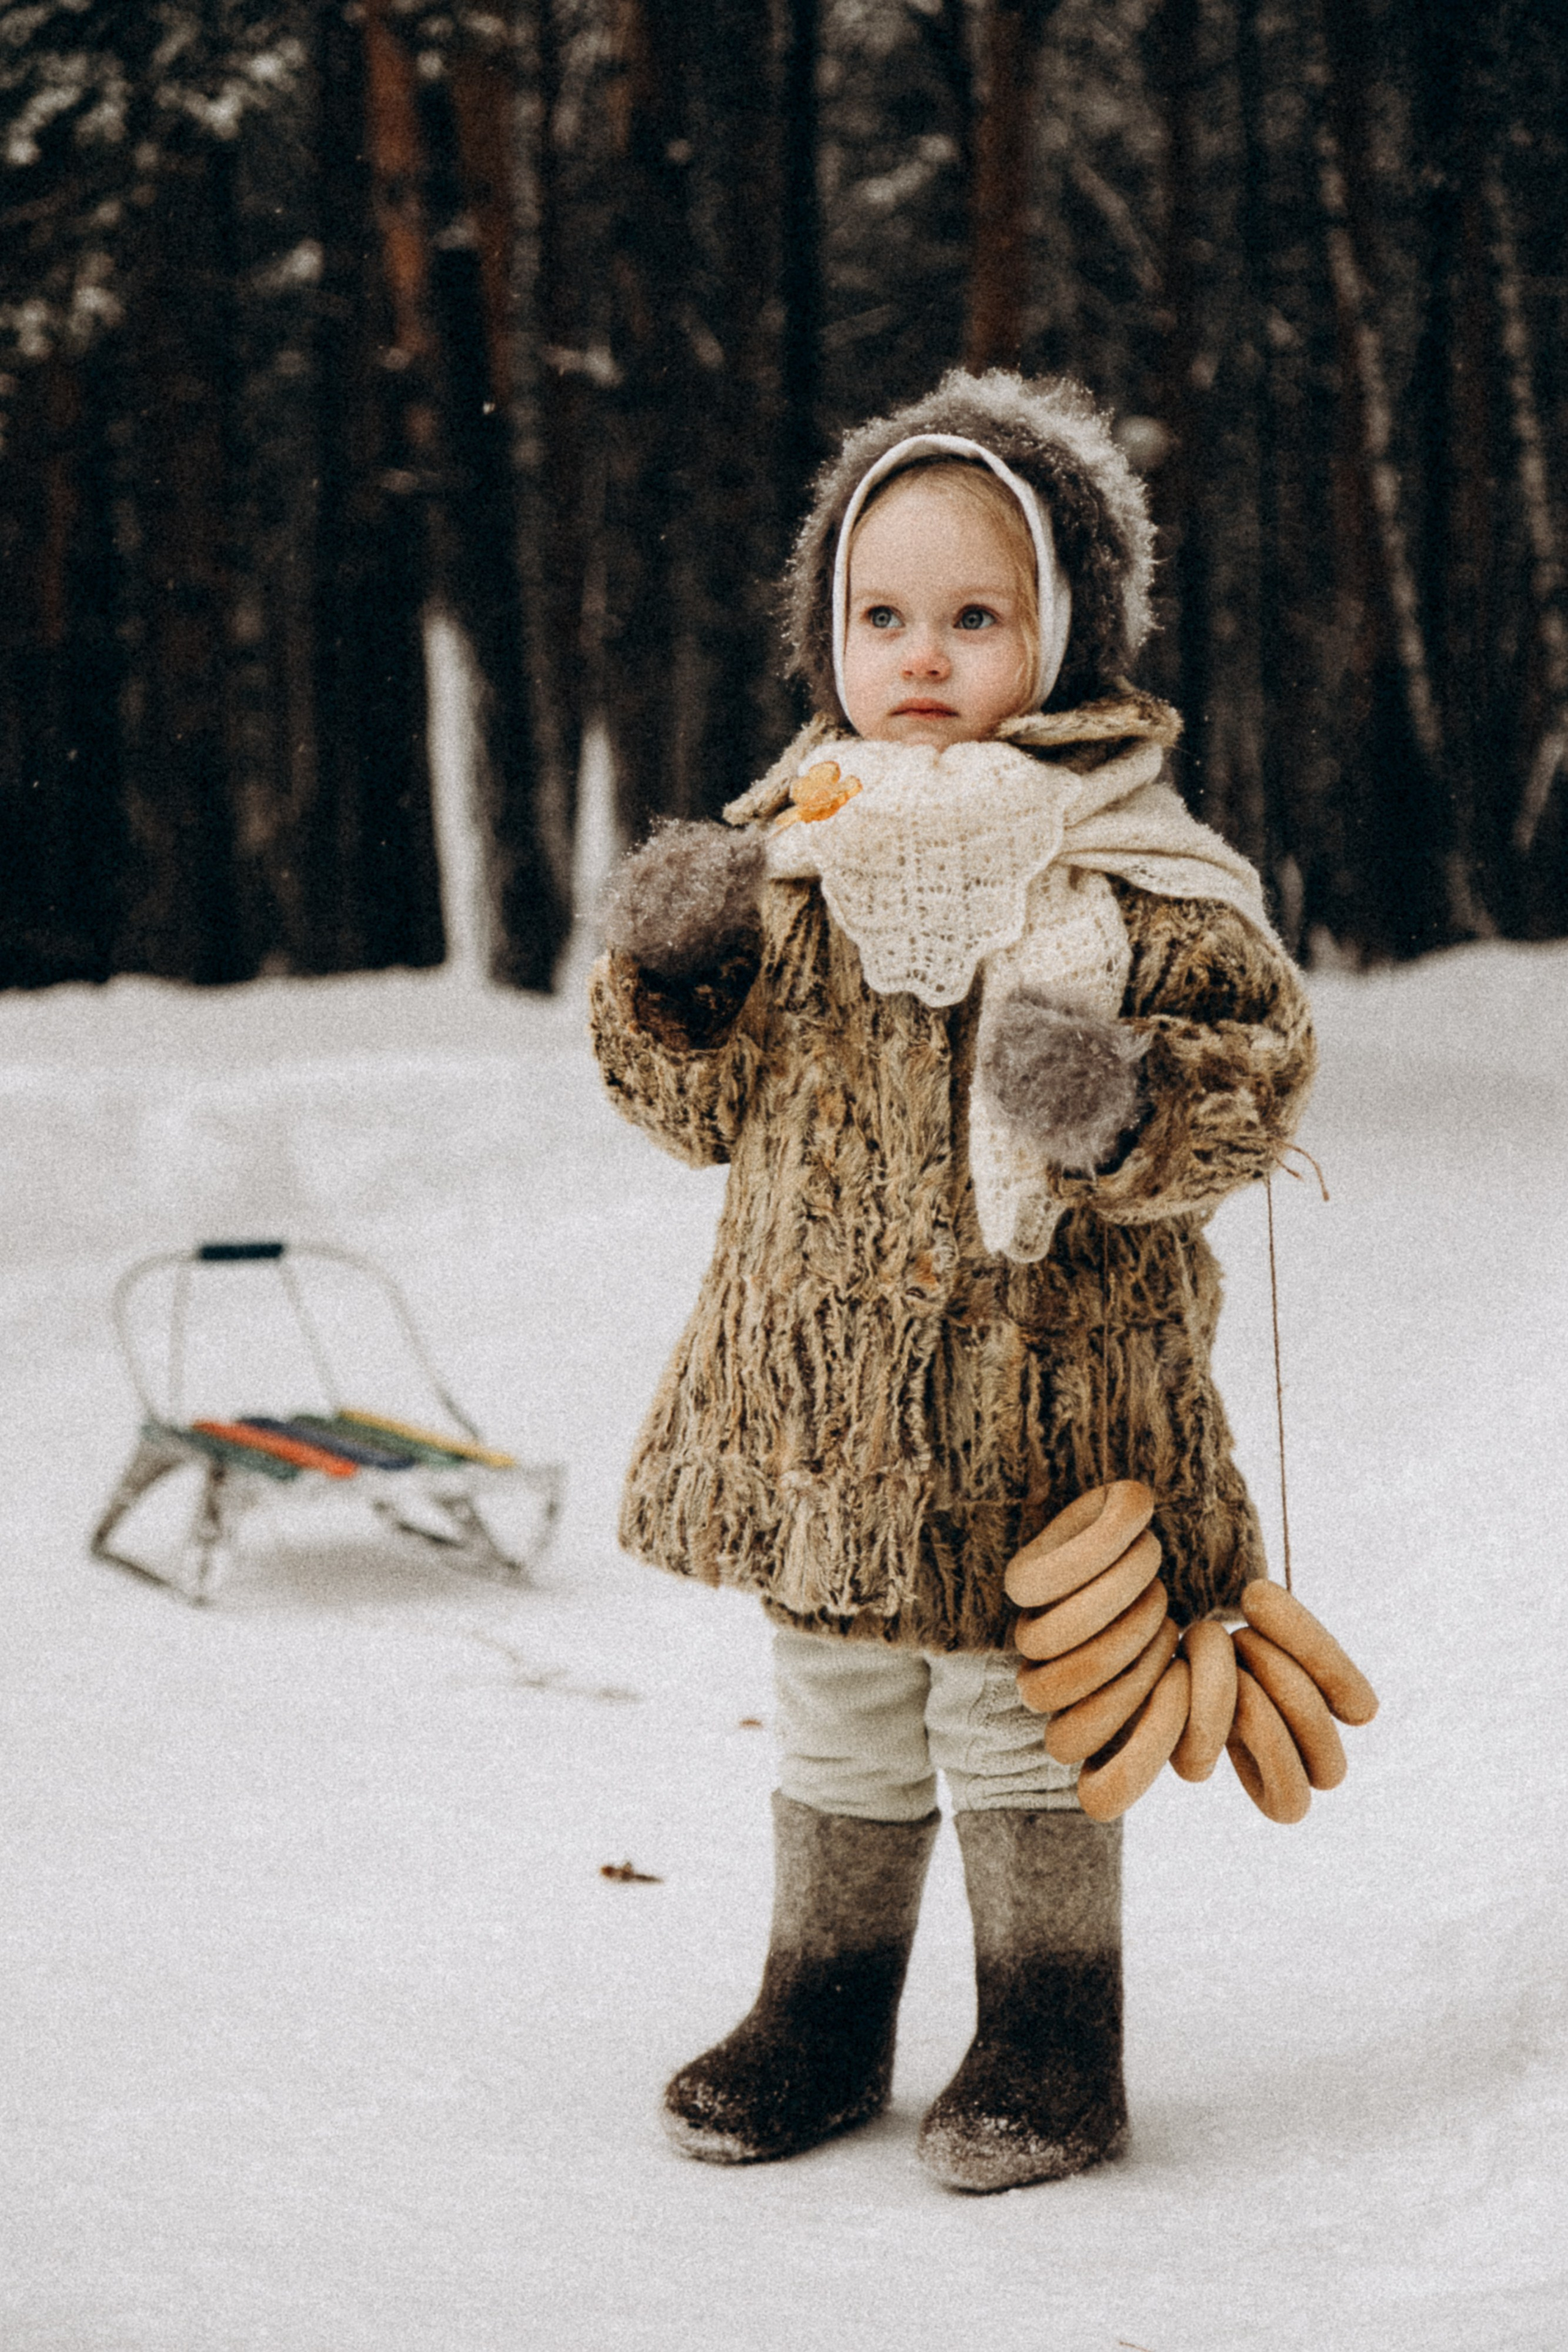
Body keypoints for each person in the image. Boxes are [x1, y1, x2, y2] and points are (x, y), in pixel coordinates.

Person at [588, 369, 1316, 2193]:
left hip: (1044, 1395)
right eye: (880, 614)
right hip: (826, 1397)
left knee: (1020, 1699)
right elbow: (693, 1107)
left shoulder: (1141, 877)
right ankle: (819, 2012)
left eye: (974, 617)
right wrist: (674, 972)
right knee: (835, 1687)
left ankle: (1051, 2034)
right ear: (828, 631)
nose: (921, 654)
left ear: (1062, 633)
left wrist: (1120, 1103)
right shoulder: (792, 856)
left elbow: (1253, 1083)